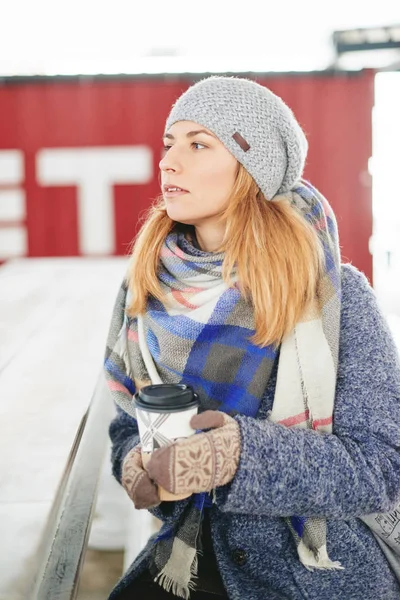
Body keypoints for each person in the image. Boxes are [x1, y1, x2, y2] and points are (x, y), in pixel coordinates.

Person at [103, 76, 400, 600]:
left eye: (199, 145)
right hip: (192, 554)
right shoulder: (148, 285)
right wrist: (133, 461)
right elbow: (127, 421)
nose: (169, 161)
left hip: (313, 574)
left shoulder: (333, 295)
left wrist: (236, 456)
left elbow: (381, 467)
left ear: (252, 169)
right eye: (170, 143)